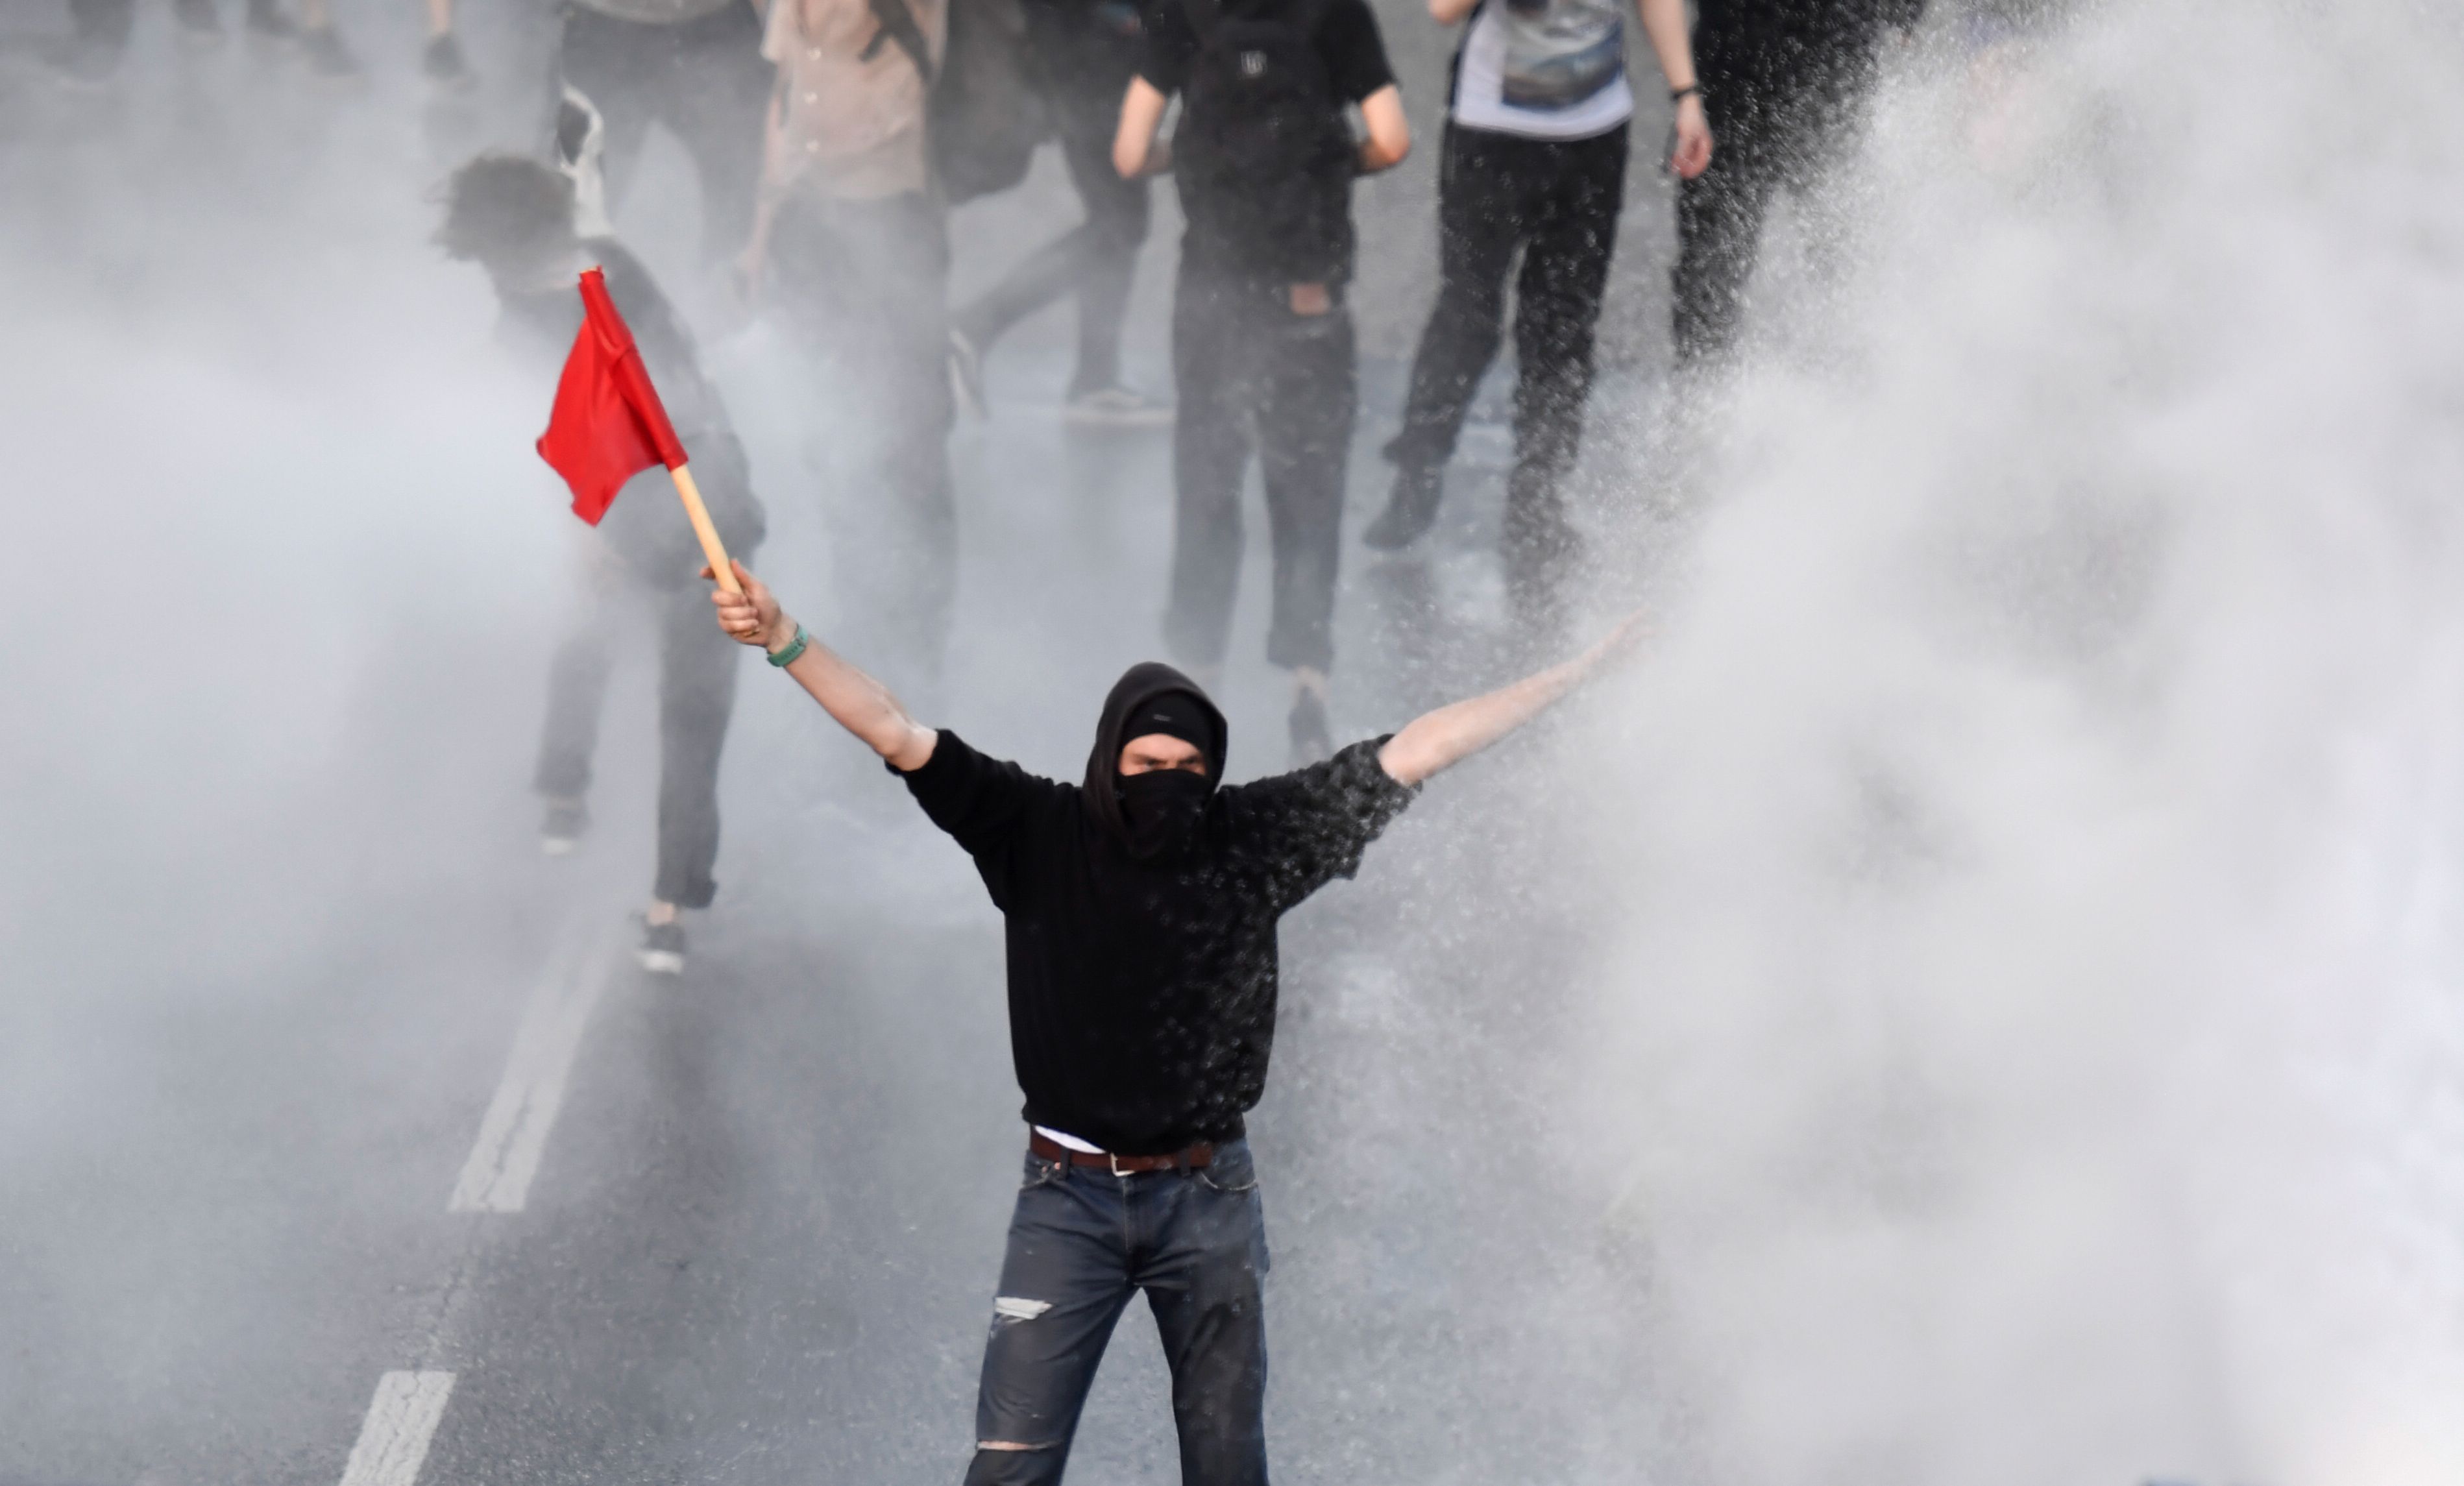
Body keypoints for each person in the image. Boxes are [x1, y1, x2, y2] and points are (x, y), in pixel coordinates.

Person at [703, 555, 1642, 1486]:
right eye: (1149, 764)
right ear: (1111, 758)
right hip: (1064, 1201)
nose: (1169, 784)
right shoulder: (1034, 830)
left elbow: (1420, 748)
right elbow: (894, 729)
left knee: (1228, 1467)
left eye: (1191, 768)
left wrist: (1577, 674)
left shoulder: (1257, 838)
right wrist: (785, 639)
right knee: (1010, 1467)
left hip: (1209, 1199)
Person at [439, 152, 768, 973]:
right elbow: (682, 375)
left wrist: (586, 536)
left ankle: (562, 794)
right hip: (714, 495)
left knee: (585, 627)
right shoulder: (616, 267)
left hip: (631, 512)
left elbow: (563, 441)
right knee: (694, 712)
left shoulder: (521, 319)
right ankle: (668, 912)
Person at [1114, 0, 1411, 764]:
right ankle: (1307, 693)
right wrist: (1331, 162)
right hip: (1305, 298)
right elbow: (1392, 140)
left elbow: (1126, 153)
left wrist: (1187, 159)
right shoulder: (1336, 13)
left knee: (1208, 484)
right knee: (1307, 487)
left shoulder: (1183, 11)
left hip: (1211, 299)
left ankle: (1189, 697)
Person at [1361, 0, 1713, 622]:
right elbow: (1443, 11)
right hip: (1491, 134)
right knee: (1468, 317)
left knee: (1564, 328)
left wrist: (1685, 93)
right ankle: (1416, 478)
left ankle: (1538, 505)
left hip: (1594, 138)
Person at [744, 0, 957, 690]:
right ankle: (856, 622)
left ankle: (920, 642)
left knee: (912, 433)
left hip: (891, 214)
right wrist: (760, 236)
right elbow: (783, 103)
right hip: (810, 223)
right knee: (830, 427)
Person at [947, 0, 1169, 426]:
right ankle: (977, 324)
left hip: (1091, 62)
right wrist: (1132, 22)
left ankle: (1095, 378)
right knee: (1119, 223)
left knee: (1118, 221)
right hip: (1088, 65)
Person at [1673, 0, 1925, 365]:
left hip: (1785, 58)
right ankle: (1701, 393)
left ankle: (1704, 389)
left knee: (1837, 254)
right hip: (1767, 60)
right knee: (1718, 261)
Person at [541, 0, 775, 272]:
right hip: (604, 26)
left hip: (713, 26)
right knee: (580, 189)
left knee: (733, 190)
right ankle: (560, 295)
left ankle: (725, 296)